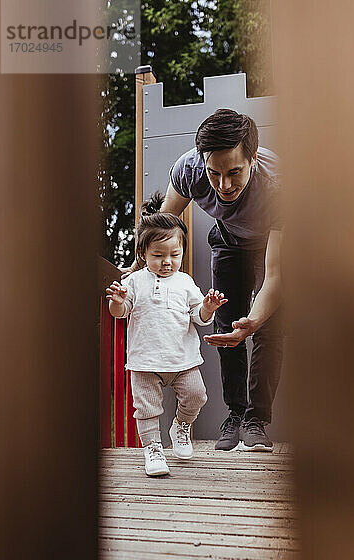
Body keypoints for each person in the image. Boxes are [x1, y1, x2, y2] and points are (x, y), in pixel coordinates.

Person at [159, 108, 284, 452]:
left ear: (253, 158)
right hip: (229, 241)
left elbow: (275, 275)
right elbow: (164, 223)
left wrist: (255, 321)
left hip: (269, 245)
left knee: (269, 327)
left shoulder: (278, 185)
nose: (224, 185)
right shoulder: (190, 170)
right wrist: (138, 265)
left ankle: (256, 420)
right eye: (215, 174)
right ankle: (235, 413)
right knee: (227, 325)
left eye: (234, 172)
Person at [107, 194, 227, 476]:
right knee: (147, 408)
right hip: (145, 361)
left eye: (175, 255)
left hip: (183, 360)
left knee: (197, 395)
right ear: (143, 254)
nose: (167, 262)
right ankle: (153, 449)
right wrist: (116, 300)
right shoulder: (134, 281)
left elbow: (198, 317)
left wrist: (208, 308)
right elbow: (121, 312)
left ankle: (181, 426)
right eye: (158, 256)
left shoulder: (185, 282)